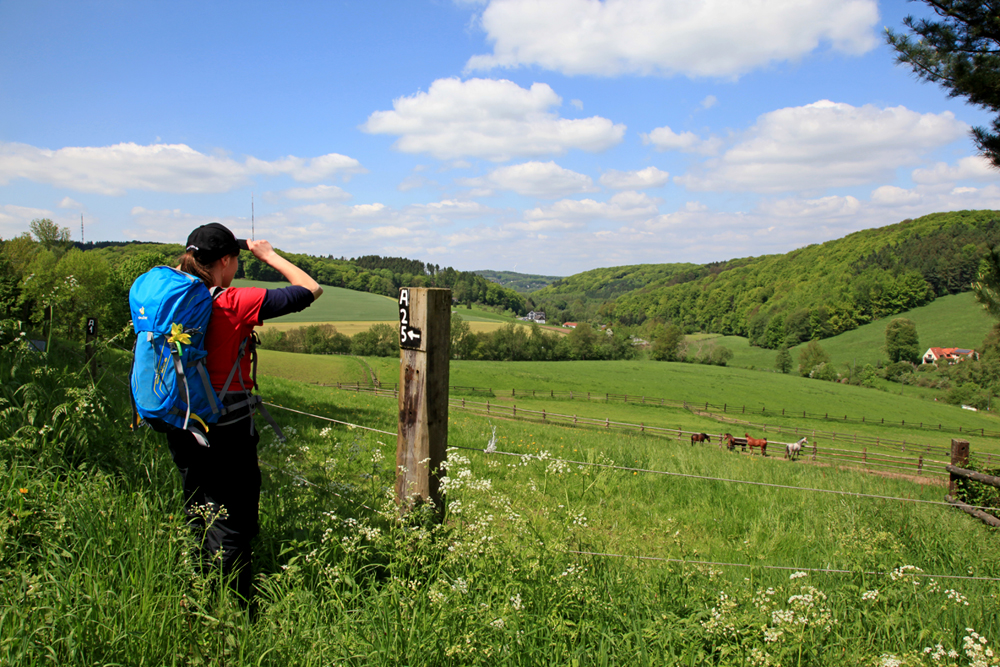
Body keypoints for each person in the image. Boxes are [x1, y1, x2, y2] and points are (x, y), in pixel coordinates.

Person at [167, 222, 322, 607]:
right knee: (233, 522)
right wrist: (268, 255)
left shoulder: (172, 299)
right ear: (224, 261)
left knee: (199, 509)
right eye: (236, 261)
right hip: (226, 427)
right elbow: (310, 289)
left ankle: (200, 592)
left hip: (180, 422)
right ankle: (237, 612)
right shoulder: (231, 302)